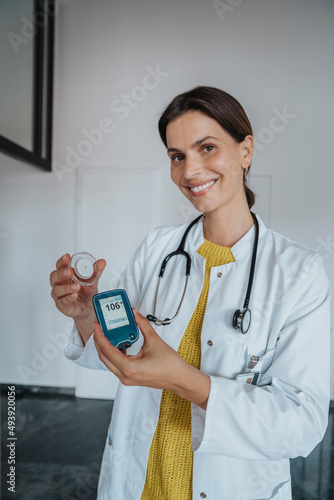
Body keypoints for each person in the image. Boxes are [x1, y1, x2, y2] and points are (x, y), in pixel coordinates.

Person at [50, 86, 331, 500]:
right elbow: (126, 347)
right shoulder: (157, 248)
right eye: (177, 156)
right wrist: (86, 315)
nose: (190, 170)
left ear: (245, 151)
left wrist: (185, 380)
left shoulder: (299, 272)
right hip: (141, 482)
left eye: (207, 147)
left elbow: (302, 424)